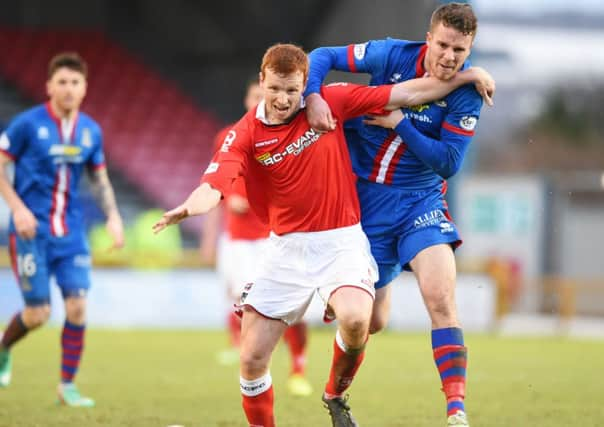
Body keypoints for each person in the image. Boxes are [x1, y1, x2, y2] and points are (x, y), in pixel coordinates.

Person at [153, 43, 492, 427]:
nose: (283, 100)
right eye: (275, 89)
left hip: (342, 241)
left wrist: (465, 76)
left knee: (356, 319)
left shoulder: (332, 100)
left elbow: (409, 92)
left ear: (305, 87)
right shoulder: (244, 133)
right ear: (262, 81)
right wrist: (191, 206)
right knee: (250, 358)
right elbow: (214, 184)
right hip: (285, 251)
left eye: (292, 91)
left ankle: (334, 394)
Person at [304, 3, 493, 426]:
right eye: (443, 45)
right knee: (371, 323)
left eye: (459, 51)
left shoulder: (467, 92)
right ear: (428, 38)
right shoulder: (390, 55)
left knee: (441, 296)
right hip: (366, 205)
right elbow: (322, 57)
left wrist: (399, 123)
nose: (449, 57)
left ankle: (456, 409)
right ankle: (334, 392)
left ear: (470, 49)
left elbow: (447, 162)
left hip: (420, 203)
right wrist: (313, 94)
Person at [0, 52, 124, 407]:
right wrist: (18, 209)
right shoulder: (27, 125)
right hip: (30, 233)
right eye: (62, 82)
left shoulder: (90, 131)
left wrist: (113, 217)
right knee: (38, 314)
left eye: (75, 83)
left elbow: (99, 179)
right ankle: (4, 347)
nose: (68, 89)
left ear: (84, 88)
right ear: (49, 87)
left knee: (77, 308)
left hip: (70, 233)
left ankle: (66, 386)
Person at [200, 79, 313, 397]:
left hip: (272, 237)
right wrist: (211, 237)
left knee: (291, 307)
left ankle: (298, 367)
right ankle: (254, 372)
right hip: (237, 241)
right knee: (242, 304)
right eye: (254, 95)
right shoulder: (229, 138)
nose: (257, 102)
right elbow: (215, 186)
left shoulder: (289, 137)